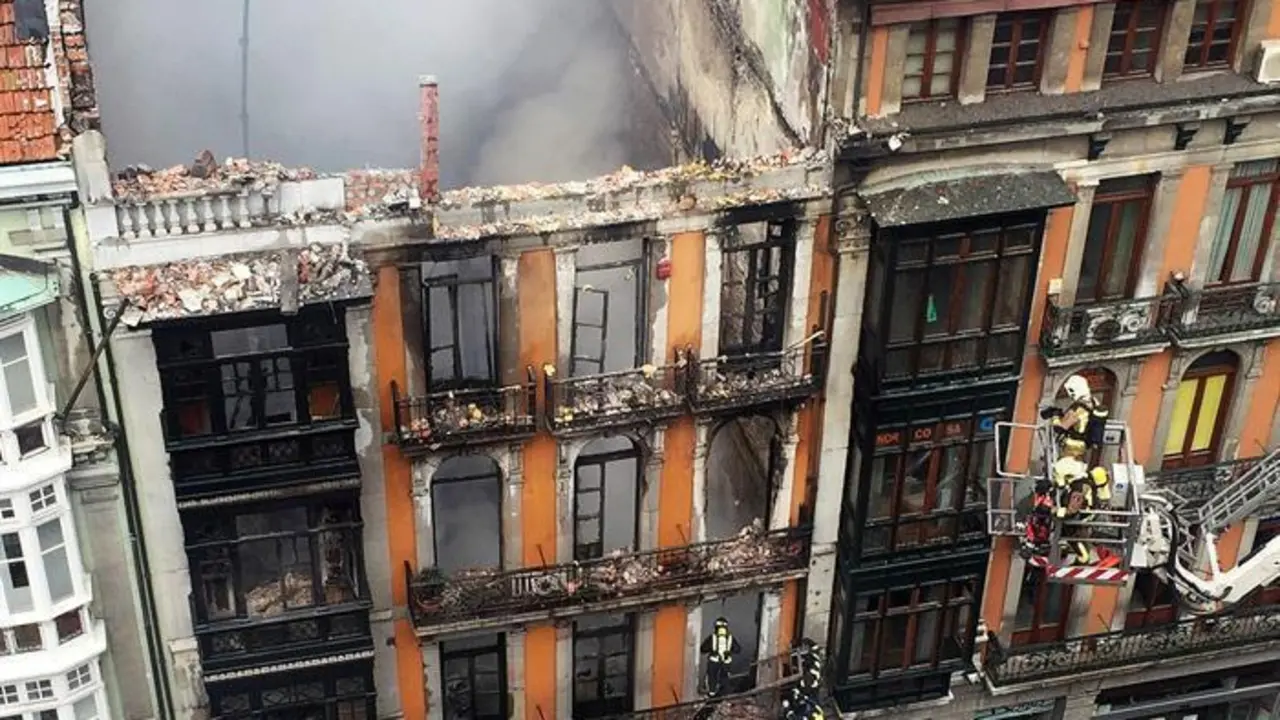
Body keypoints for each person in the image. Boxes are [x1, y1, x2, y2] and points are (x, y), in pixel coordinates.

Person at [701, 617, 741, 697]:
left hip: (714, 661)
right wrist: (729, 652)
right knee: (724, 678)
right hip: (726, 662)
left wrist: (712, 650)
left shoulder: (712, 637)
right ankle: (723, 694)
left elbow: (703, 649)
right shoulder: (730, 638)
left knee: (712, 677)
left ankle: (712, 694)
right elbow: (738, 649)